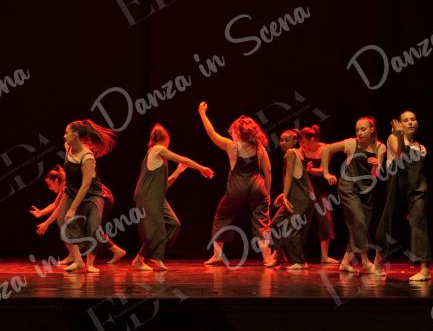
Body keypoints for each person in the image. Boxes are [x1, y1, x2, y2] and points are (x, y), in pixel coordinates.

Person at [198, 102, 275, 267]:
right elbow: (268, 171)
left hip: (237, 188)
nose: (230, 132)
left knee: (222, 216)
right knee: (263, 222)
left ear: (239, 132)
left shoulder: (232, 146)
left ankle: (217, 255)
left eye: (232, 130)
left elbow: (211, 133)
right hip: (257, 187)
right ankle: (268, 257)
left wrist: (202, 113)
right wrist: (267, 193)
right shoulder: (259, 148)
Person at [132, 123, 214, 271]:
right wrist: (201, 168)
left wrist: (178, 172)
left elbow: (165, 184)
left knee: (174, 224)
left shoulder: (158, 156)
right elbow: (183, 159)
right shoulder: (158, 149)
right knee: (157, 230)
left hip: (157, 197)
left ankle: (144, 257)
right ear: (167, 139)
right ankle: (153, 258)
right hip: (148, 196)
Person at [58, 119, 126, 273]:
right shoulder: (68, 147)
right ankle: (78, 261)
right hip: (72, 191)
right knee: (62, 221)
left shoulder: (87, 156)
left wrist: (73, 209)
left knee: (93, 226)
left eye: (67, 133)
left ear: (75, 135)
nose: (64, 136)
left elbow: (86, 185)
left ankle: (90, 264)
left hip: (92, 193)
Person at [321, 117, 386, 274]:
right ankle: (365, 261)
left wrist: (376, 166)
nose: (359, 133)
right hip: (348, 187)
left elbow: (375, 175)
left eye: (363, 129)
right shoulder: (352, 143)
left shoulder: (380, 147)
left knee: (358, 226)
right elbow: (327, 149)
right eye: (357, 130)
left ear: (372, 129)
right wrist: (326, 173)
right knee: (359, 221)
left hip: (366, 190)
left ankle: (345, 262)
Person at [375, 111, 431, 281]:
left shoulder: (421, 148)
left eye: (413, 119)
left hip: (416, 187)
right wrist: (400, 137)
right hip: (395, 185)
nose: (410, 122)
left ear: (417, 123)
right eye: (406, 120)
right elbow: (400, 158)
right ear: (399, 124)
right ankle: (378, 260)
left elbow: (416, 171)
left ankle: (424, 269)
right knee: (388, 222)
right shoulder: (393, 138)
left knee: (418, 222)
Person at [269, 129, 316, 270]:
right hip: (296, 196)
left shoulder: (291, 153)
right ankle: (279, 256)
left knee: (292, 228)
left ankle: (300, 262)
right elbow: (296, 176)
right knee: (275, 224)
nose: (282, 143)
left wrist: (285, 195)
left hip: (300, 198)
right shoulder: (299, 153)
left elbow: (289, 175)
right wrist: (284, 194)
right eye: (281, 140)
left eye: (287, 140)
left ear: (295, 141)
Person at [298, 125, 338, 264]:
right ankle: (296, 256)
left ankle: (324, 256)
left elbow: (323, 171)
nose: (301, 144)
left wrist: (309, 170)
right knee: (299, 222)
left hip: (320, 190)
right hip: (305, 190)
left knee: (325, 221)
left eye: (303, 141)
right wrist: (305, 170)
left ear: (312, 139)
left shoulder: (325, 149)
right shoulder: (301, 151)